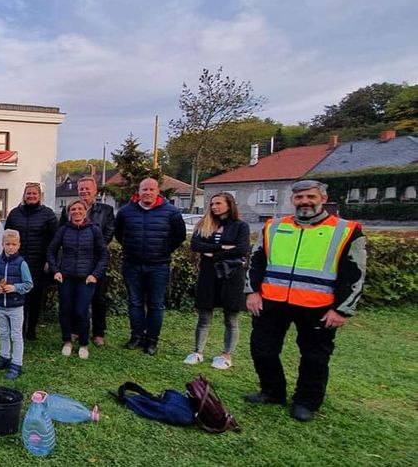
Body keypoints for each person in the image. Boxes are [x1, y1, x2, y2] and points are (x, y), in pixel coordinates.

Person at [245, 180, 367, 422]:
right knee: (262, 349)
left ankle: (306, 402)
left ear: (323, 198)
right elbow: (256, 261)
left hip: (318, 305)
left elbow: (355, 273)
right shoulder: (273, 227)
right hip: (272, 301)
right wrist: (252, 292)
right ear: (293, 200)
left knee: (314, 357)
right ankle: (272, 391)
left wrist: (342, 309)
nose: (305, 202)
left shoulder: (345, 230)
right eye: (299, 197)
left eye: (310, 197)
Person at [115, 178, 186, 356]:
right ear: (138, 192)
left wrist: (163, 251)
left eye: (151, 189)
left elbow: (179, 236)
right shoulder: (125, 212)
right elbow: (119, 234)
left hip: (159, 266)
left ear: (157, 191)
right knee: (134, 303)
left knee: (156, 305)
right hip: (132, 264)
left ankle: (152, 340)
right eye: (144, 189)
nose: (147, 193)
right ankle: (136, 336)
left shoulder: (171, 212)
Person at [184, 193, 250, 370]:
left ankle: (226, 355)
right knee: (204, 315)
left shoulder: (240, 226)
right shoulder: (205, 224)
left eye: (218, 203)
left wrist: (213, 254)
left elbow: (241, 249)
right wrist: (221, 247)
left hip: (232, 276)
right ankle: (198, 352)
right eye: (212, 203)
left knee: (231, 318)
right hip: (208, 275)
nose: (214, 206)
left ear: (229, 204)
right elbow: (196, 245)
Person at [58, 176, 115, 346]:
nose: (84, 191)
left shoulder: (106, 210)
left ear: (95, 190)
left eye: (87, 188)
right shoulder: (68, 210)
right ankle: (75, 330)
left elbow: (108, 234)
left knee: (98, 299)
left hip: (95, 262)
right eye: (81, 189)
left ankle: (98, 332)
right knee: (76, 299)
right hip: (73, 263)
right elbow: (61, 233)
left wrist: (92, 249)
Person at [48, 199, 108, 360]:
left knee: (81, 311)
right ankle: (67, 341)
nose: (76, 212)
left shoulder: (94, 230)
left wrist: (95, 274)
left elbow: (103, 254)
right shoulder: (63, 230)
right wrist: (55, 270)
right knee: (65, 310)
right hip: (66, 277)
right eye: (73, 209)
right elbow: (51, 250)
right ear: (69, 212)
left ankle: (83, 344)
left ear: (85, 211)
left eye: (79, 209)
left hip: (85, 279)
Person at [4, 183, 58, 340]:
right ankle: (18, 329)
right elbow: (7, 236)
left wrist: (50, 260)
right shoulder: (14, 214)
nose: (31, 196)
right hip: (17, 263)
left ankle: (31, 330)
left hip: (38, 263)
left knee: (35, 298)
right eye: (28, 193)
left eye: (34, 193)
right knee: (19, 297)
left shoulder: (48, 214)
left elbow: (55, 239)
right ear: (24, 195)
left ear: (39, 196)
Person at [0, 229, 34, 380]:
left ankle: (17, 363)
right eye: (7, 244)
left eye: (13, 244)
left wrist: (15, 288)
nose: (10, 247)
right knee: (3, 333)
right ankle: (4, 357)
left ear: (18, 245)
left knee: (16, 335)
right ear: (2, 244)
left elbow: (28, 284)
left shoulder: (22, 263)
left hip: (16, 307)